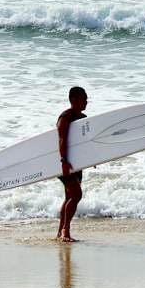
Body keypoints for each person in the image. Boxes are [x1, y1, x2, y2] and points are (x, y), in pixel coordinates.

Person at [56, 86, 87, 242]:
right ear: (73, 99)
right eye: (83, 98)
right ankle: (65, 230)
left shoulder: (83, 118)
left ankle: (60, 232)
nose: (86, 102)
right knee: (76, 195)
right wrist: (63, 161)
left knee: (69, 197)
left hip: (76, 163)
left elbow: (85, 143)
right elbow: (62, 139)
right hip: (64, 162)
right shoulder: (65, 118)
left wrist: (93, 159)